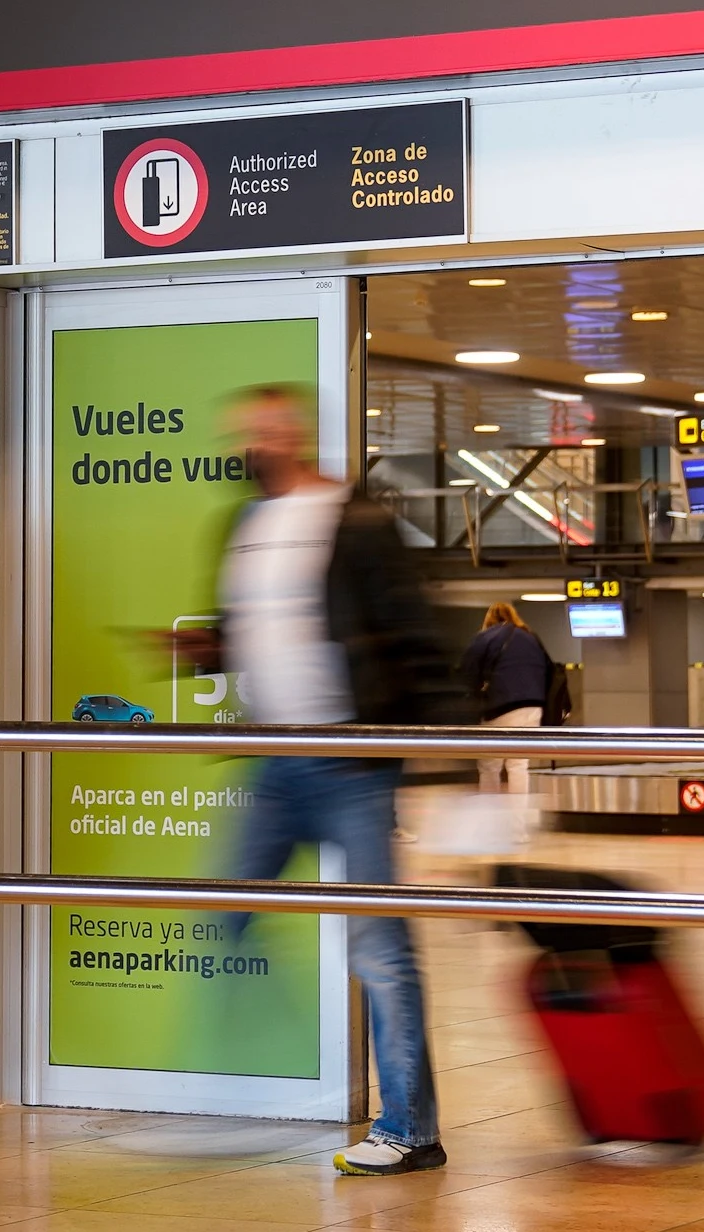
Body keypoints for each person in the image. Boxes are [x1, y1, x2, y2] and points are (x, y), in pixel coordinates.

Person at [190, 383, 464, 1176]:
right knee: (228, 909)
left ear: (296, 435)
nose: (254, 446)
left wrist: (449, 758)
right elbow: (250, 632)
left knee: (379, 946)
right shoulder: (242, 525)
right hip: (278, 760)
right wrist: (209, 652)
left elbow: (412, 631)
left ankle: (411, 1130)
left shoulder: (356, 519)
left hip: (348, 760)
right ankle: (239, 1094)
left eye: (268, 432)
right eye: (246, 433)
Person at [459, 602, 556, 796]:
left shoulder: (485, 637)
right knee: (519, 764)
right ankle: (518, 823)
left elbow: (467, 673)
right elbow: (550, 670)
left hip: (500, 705)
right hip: (533, 706)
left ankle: (491, 818)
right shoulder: (531, 637)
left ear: (489, 620)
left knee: (490, 765)